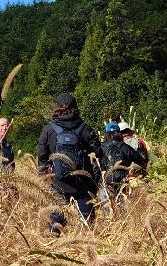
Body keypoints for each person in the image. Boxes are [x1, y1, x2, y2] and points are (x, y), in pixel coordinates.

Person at [37, 93, 100, 232]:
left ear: (57, 108)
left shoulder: (49, 129)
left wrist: (43, 176)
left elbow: (42, 155)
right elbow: (98, 152)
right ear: (76, 108)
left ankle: (54, 244)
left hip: (59, 182)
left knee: (56, 219)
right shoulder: (85, 128)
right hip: (83, 182)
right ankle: (89, 247)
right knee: (87, 223)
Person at [99, 121, 146, 204]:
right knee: (123, 208)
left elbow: (96, 164)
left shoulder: (101, 147)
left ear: (106, 133)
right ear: (119, 133)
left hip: (106, 182)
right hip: (122, 181)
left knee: (107, 208)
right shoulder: (125, 147)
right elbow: (141, 161)